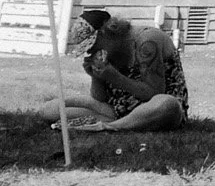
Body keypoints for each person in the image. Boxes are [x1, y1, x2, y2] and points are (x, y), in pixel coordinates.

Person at [51, 8, 190, 132]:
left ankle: (109, 126)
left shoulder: (147, 41)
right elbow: (100, 98)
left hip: (155, 110)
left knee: (166, 104)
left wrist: (114, 77)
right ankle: (121, 122)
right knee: (49, 109)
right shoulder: (108, 49)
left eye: (92, 45)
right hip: (117, 109)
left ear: (107, 32)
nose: (90, 51)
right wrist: (96, 76)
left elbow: (154, 92)